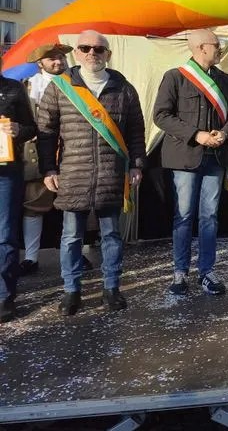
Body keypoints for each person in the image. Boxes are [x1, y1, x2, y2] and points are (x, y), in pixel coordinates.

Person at [37, 30, 146, 315]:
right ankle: (71, 291)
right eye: (85, 48)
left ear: (108, 55)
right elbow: (46, 132)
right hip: (73, 172)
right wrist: (47, 168)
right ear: (76, 53)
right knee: (71, 236)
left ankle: (111, 288)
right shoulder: (60, 87)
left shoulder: (124, 89)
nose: (91, 54)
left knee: (111, 236)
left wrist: (137, 164)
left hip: (112, 174)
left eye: (98, 49)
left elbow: (136, 131)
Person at [153, 29, 228, 296]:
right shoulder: (175, 78)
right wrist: (197, 135)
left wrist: (225, 133)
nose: (220, 49)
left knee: (209, 217)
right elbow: (161, 115)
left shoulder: (224, 80)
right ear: (201, 48)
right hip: (185, 157)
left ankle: (207, 272)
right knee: (183, 217)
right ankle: (180, 273)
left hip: (215, 157)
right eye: (217, 45)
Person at [19, 44, 71, 275]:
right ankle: (31, 257)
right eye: (51, 58)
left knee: (73, 205)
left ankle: (73, 253)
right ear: (40, 63)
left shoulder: (76, 84)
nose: (58, 61)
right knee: (34, 204)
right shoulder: (28, 87)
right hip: (38, 152)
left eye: (60, 56)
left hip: (71, 151)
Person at [0, 53, 37, 323]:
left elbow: (30, 128)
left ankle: (4, 296)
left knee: (5, 235)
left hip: (6, 172)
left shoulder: (13, 89)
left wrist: (18, 129)